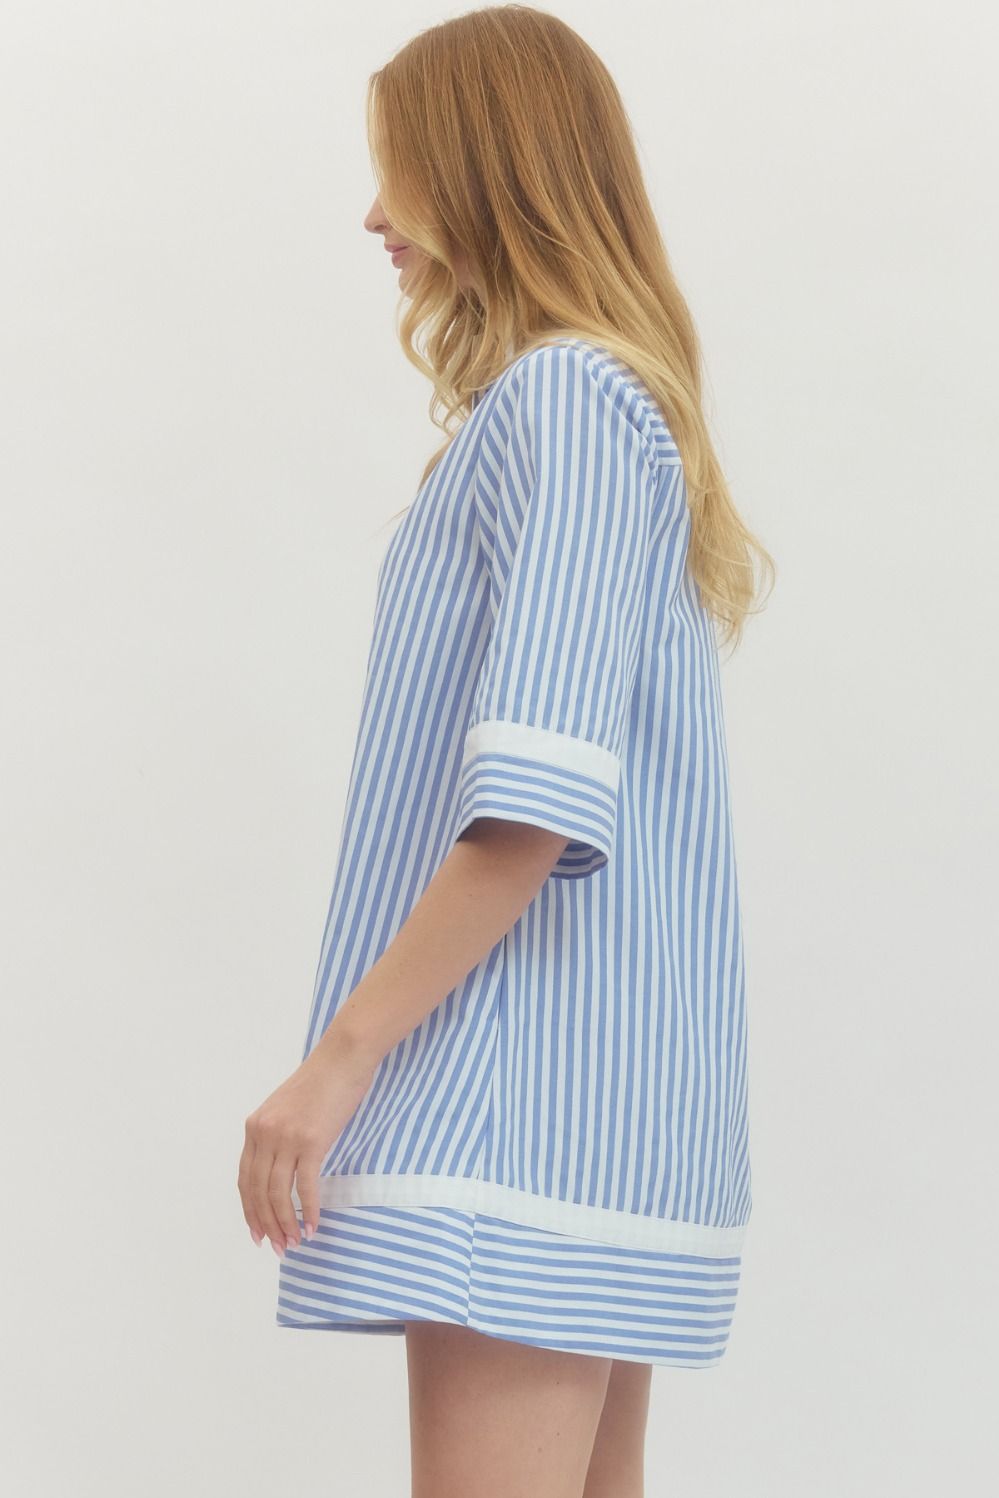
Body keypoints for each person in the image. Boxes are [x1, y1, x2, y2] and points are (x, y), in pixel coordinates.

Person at [237, 6, 774, 1494]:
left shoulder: (568, 401)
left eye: (398, 171)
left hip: (514, 1106)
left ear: (484, 168)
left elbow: (534, 798)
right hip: (593, 1112)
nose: (374, 216)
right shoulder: (595, 409)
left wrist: (337, 1062)